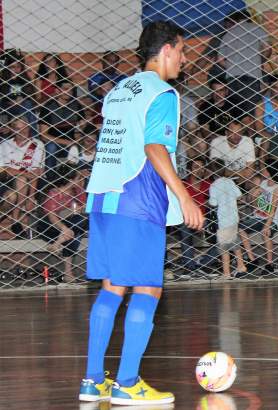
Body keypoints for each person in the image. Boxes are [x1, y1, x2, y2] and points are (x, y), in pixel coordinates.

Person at [79, 21, 204, 405]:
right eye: (182, 50)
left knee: (113, 286)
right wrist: (184, 196)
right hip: (137, 199)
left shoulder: (119, 89)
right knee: (148, 287)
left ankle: (92, 380)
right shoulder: (163, 93)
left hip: (103, 195)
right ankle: (128, 382)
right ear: (166, 49)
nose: (185, 58)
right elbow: (154, 147)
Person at [34, 163, 86, 283]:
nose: (82, 180)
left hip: (65, 229)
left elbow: (84, 207)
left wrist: (80, 206)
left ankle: (57, 245)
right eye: (79, 178)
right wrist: (64, 228)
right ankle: (68, 273)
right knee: (73, 231)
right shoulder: (52, 192)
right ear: (70, 180)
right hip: (48, 227)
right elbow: (51, 216)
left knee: (79, 223)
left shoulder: (77, 191)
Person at [0, 115, 45, 237]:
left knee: (22, 180)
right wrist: (24, 173)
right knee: (12, 194)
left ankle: (15, 220)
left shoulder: (36, 144)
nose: (23, 131)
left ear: (29, 128)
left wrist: (31, 196)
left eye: (25, 128)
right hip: (7, 180)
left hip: (31, 182)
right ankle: (14, 221)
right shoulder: (5, 145)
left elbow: (36, 173)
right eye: (19, 128)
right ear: (13, 129)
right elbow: (3, 169)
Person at [239, 159, 278, 274]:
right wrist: (254, 196)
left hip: (271, 220)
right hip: (258, 218)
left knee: (266, 233)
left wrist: (267, 226)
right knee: (240, 228)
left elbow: (272, 210)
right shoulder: (262, 184)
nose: (261, 170)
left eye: (264, 168)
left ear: (270, 171)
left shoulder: (277, 188)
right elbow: (255, 206)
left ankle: (269, 265)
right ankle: (252, 259)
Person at [208, 160, 247, 279]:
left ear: (211, 172)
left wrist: (209, 201)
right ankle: (241, 266)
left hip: (223, 220)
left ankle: (226, 273)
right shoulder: (230, 181)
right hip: (234, 217)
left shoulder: (214, 185)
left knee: (223, 247)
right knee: (234, 242)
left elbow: (213, 203)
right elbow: (239, 195)